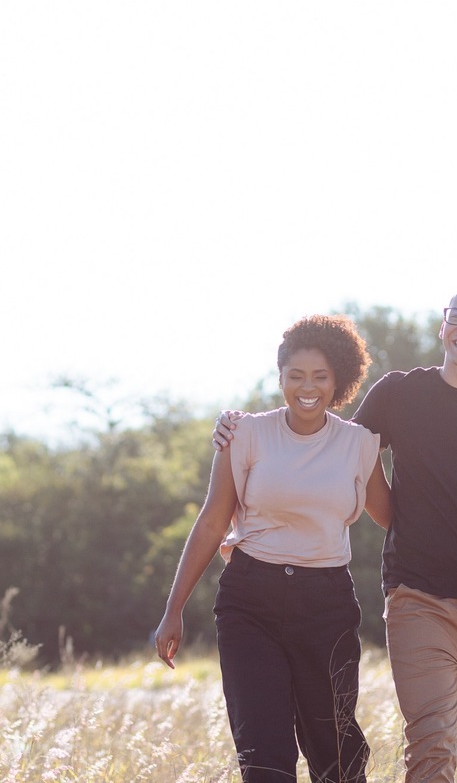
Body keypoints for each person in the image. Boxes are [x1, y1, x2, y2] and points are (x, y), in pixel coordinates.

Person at [216, 281, 457, 783]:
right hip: (416, 595)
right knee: (431, 746)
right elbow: (334, 450)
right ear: (442, 325)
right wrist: (239, 428)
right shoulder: (400, 393)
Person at [155, 314, 391, 783]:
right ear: (280, 377)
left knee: (337, 755)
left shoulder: (359, 444)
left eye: (321, 376)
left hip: (327, 605)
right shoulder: (243, 434)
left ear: (339, 380)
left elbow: (395, 520)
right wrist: (173, 608)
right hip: (250, 601)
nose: (308, 387)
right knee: (263, 755)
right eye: (296, 376)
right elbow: (211, 522)